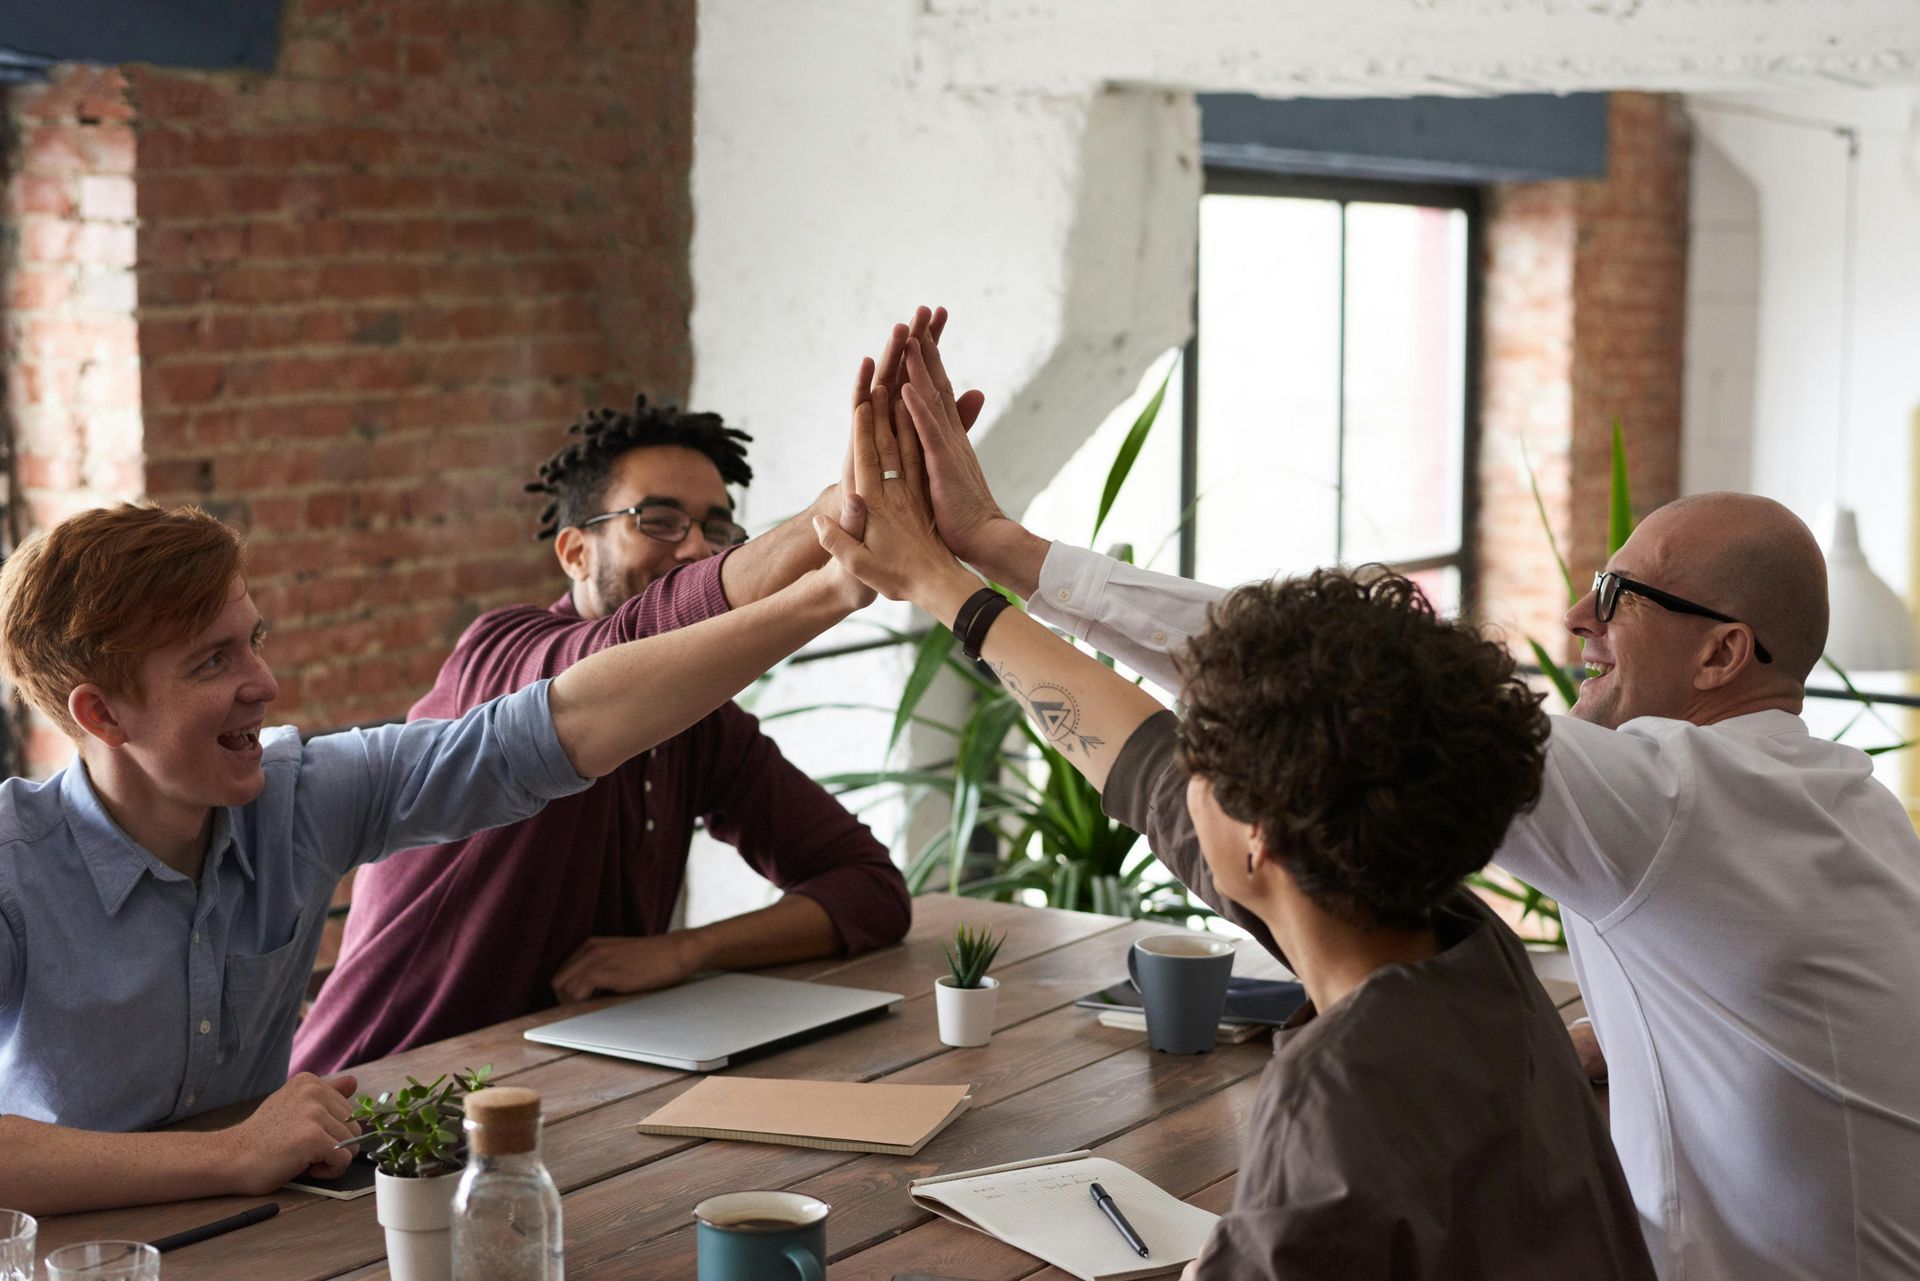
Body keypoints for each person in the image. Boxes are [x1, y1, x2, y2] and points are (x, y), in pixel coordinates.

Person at [890, 323, 1920, 1279]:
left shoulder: (1674, 802)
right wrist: (1598, 1043)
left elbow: (1319, 689)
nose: (1575, 616)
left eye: (1615, 595)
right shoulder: (1836, 805)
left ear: (1723, 653)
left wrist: (994, 558)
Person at [810, 355, 1656, 1278]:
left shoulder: (1341, 1100)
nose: (1180, 769)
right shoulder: (1463, 947)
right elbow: (1136, 761)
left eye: (1201, 756)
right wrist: (947, 582)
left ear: (1263, 834)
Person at [0, 358, 895, 1215]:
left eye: (255, 639)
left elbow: (551, 730)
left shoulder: (300, 795)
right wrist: (228, 1152)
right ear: (104, 715)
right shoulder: (14, 861)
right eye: (213, 660)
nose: (264, 683)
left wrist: (831, 590)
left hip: (270, 1227)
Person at [294, 367, 979, 1070]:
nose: (695, 547)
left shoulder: (701, 723)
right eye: (658, 520)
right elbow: (635, 642)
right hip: (374, 1100)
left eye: (718, 528)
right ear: (574, 550)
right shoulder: (502, 655)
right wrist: (838, 516)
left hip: (572, 1095)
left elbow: (868, 887)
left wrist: (685, 948)